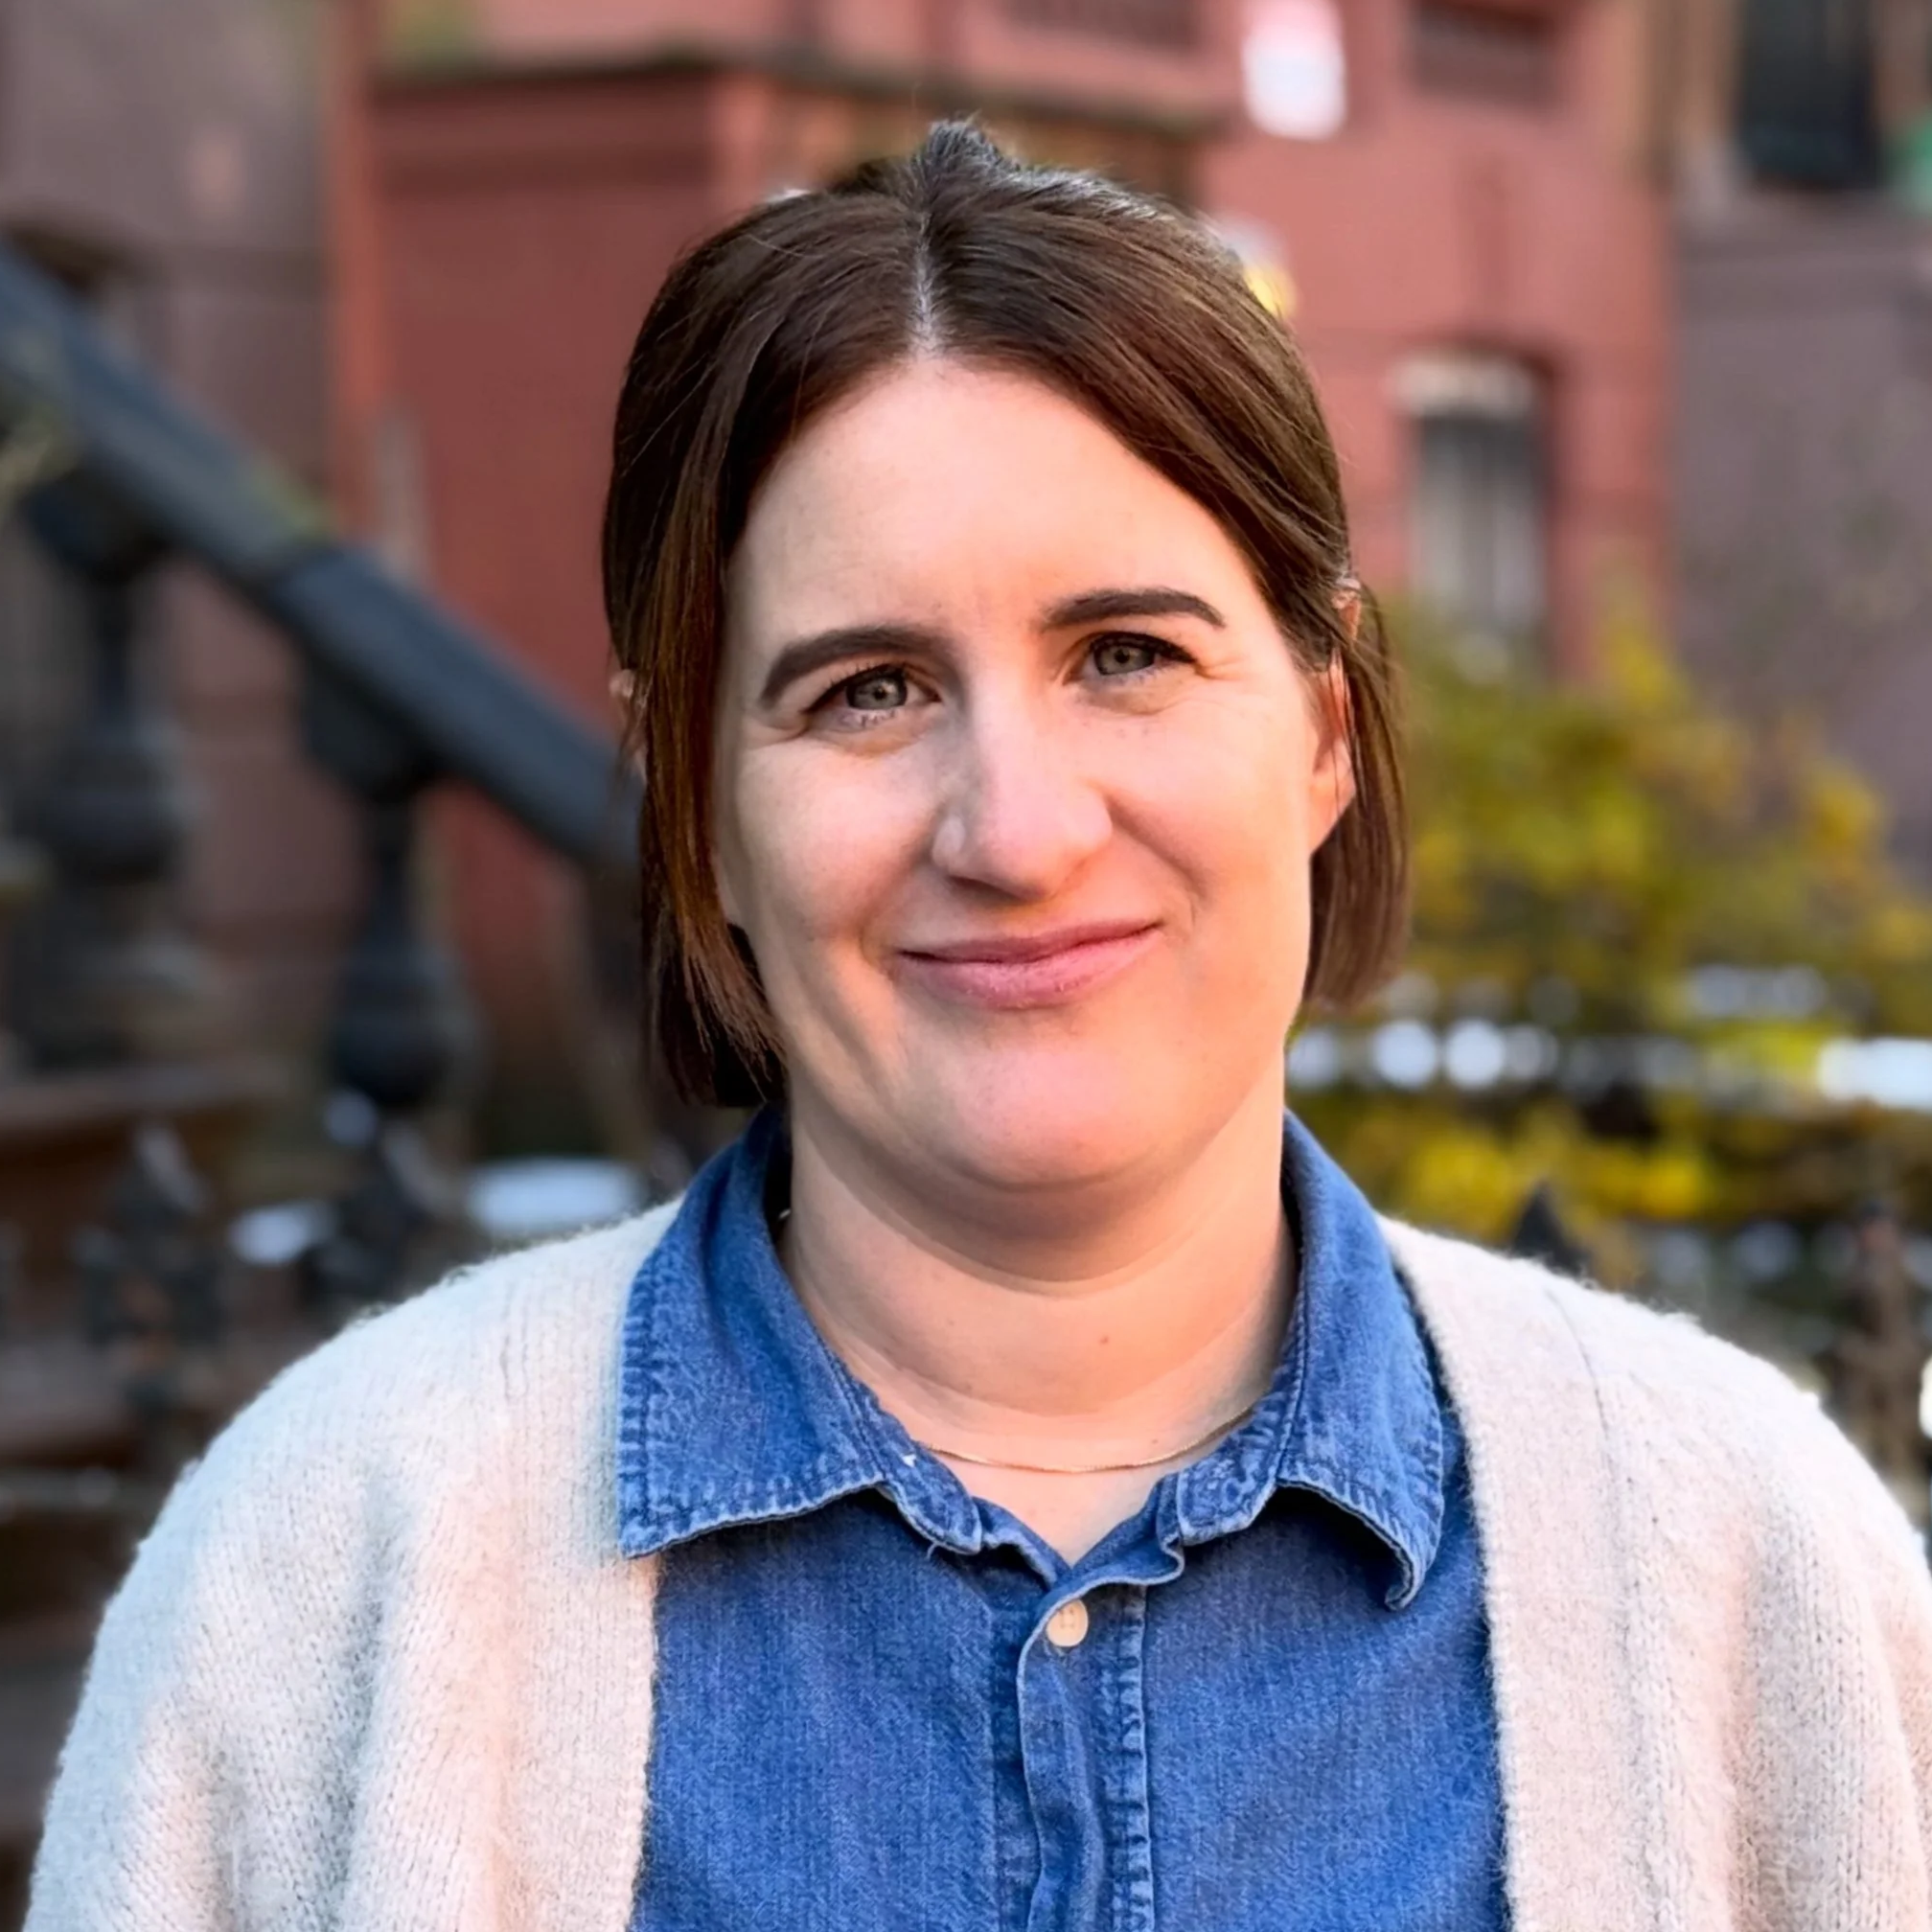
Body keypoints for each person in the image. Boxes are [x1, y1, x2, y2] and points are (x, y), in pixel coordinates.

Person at [25, 123, 1932, 1932]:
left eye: (1127, 657)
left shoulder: (1742, 1564)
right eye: (865, 691)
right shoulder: (332, 1561)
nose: (1014, 829)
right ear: (695, 799)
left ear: (1328, 731)